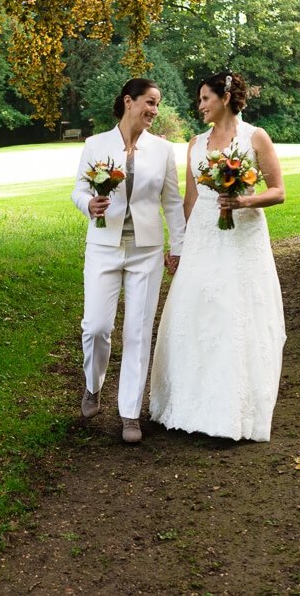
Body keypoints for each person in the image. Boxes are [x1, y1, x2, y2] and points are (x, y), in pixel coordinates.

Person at [148, 71, 286, 441]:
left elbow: (278, 191)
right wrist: (180, 245)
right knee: (197, 312)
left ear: (224, 98)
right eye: (199, 101)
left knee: (235, 315)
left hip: (244, 236)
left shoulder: (255, 137)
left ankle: (233, 413)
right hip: (204, 236)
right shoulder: (195, 144)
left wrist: (244, 201)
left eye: (205, 99)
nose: (200, 106)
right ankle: (189, 404)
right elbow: (190, 200)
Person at [71, 78, 186, 443]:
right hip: (103, 245)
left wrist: (178, 246)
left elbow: (171, 201)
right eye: (149, 102)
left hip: (146, 250)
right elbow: (79, 189)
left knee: (137, 331)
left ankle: (130, 414)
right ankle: (93, 386)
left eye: (157, 104)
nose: (154, 110)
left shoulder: (163, 150)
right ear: (128, 101)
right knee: (96, 327)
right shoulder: (95, 144)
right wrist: (88, 204)